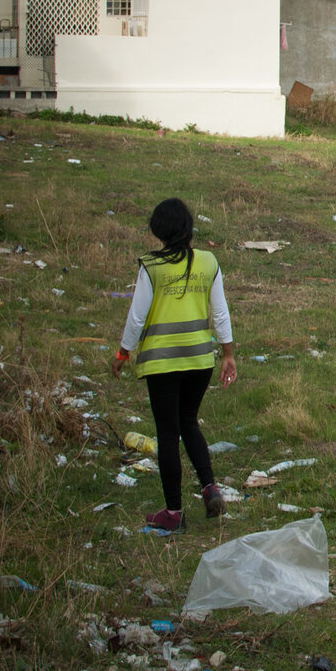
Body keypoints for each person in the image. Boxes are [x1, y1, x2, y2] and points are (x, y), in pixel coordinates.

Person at [111, 197, 237, 532]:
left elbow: (137, 318)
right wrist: (228, 354)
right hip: (199, 359)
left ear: (159, 230)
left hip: (162, 362)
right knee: (189, 422)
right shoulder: (208, 262)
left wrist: (123, 352)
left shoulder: (151, 267)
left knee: (168, 434)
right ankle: (210, 487)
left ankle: (173, 513)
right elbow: (221, 313)